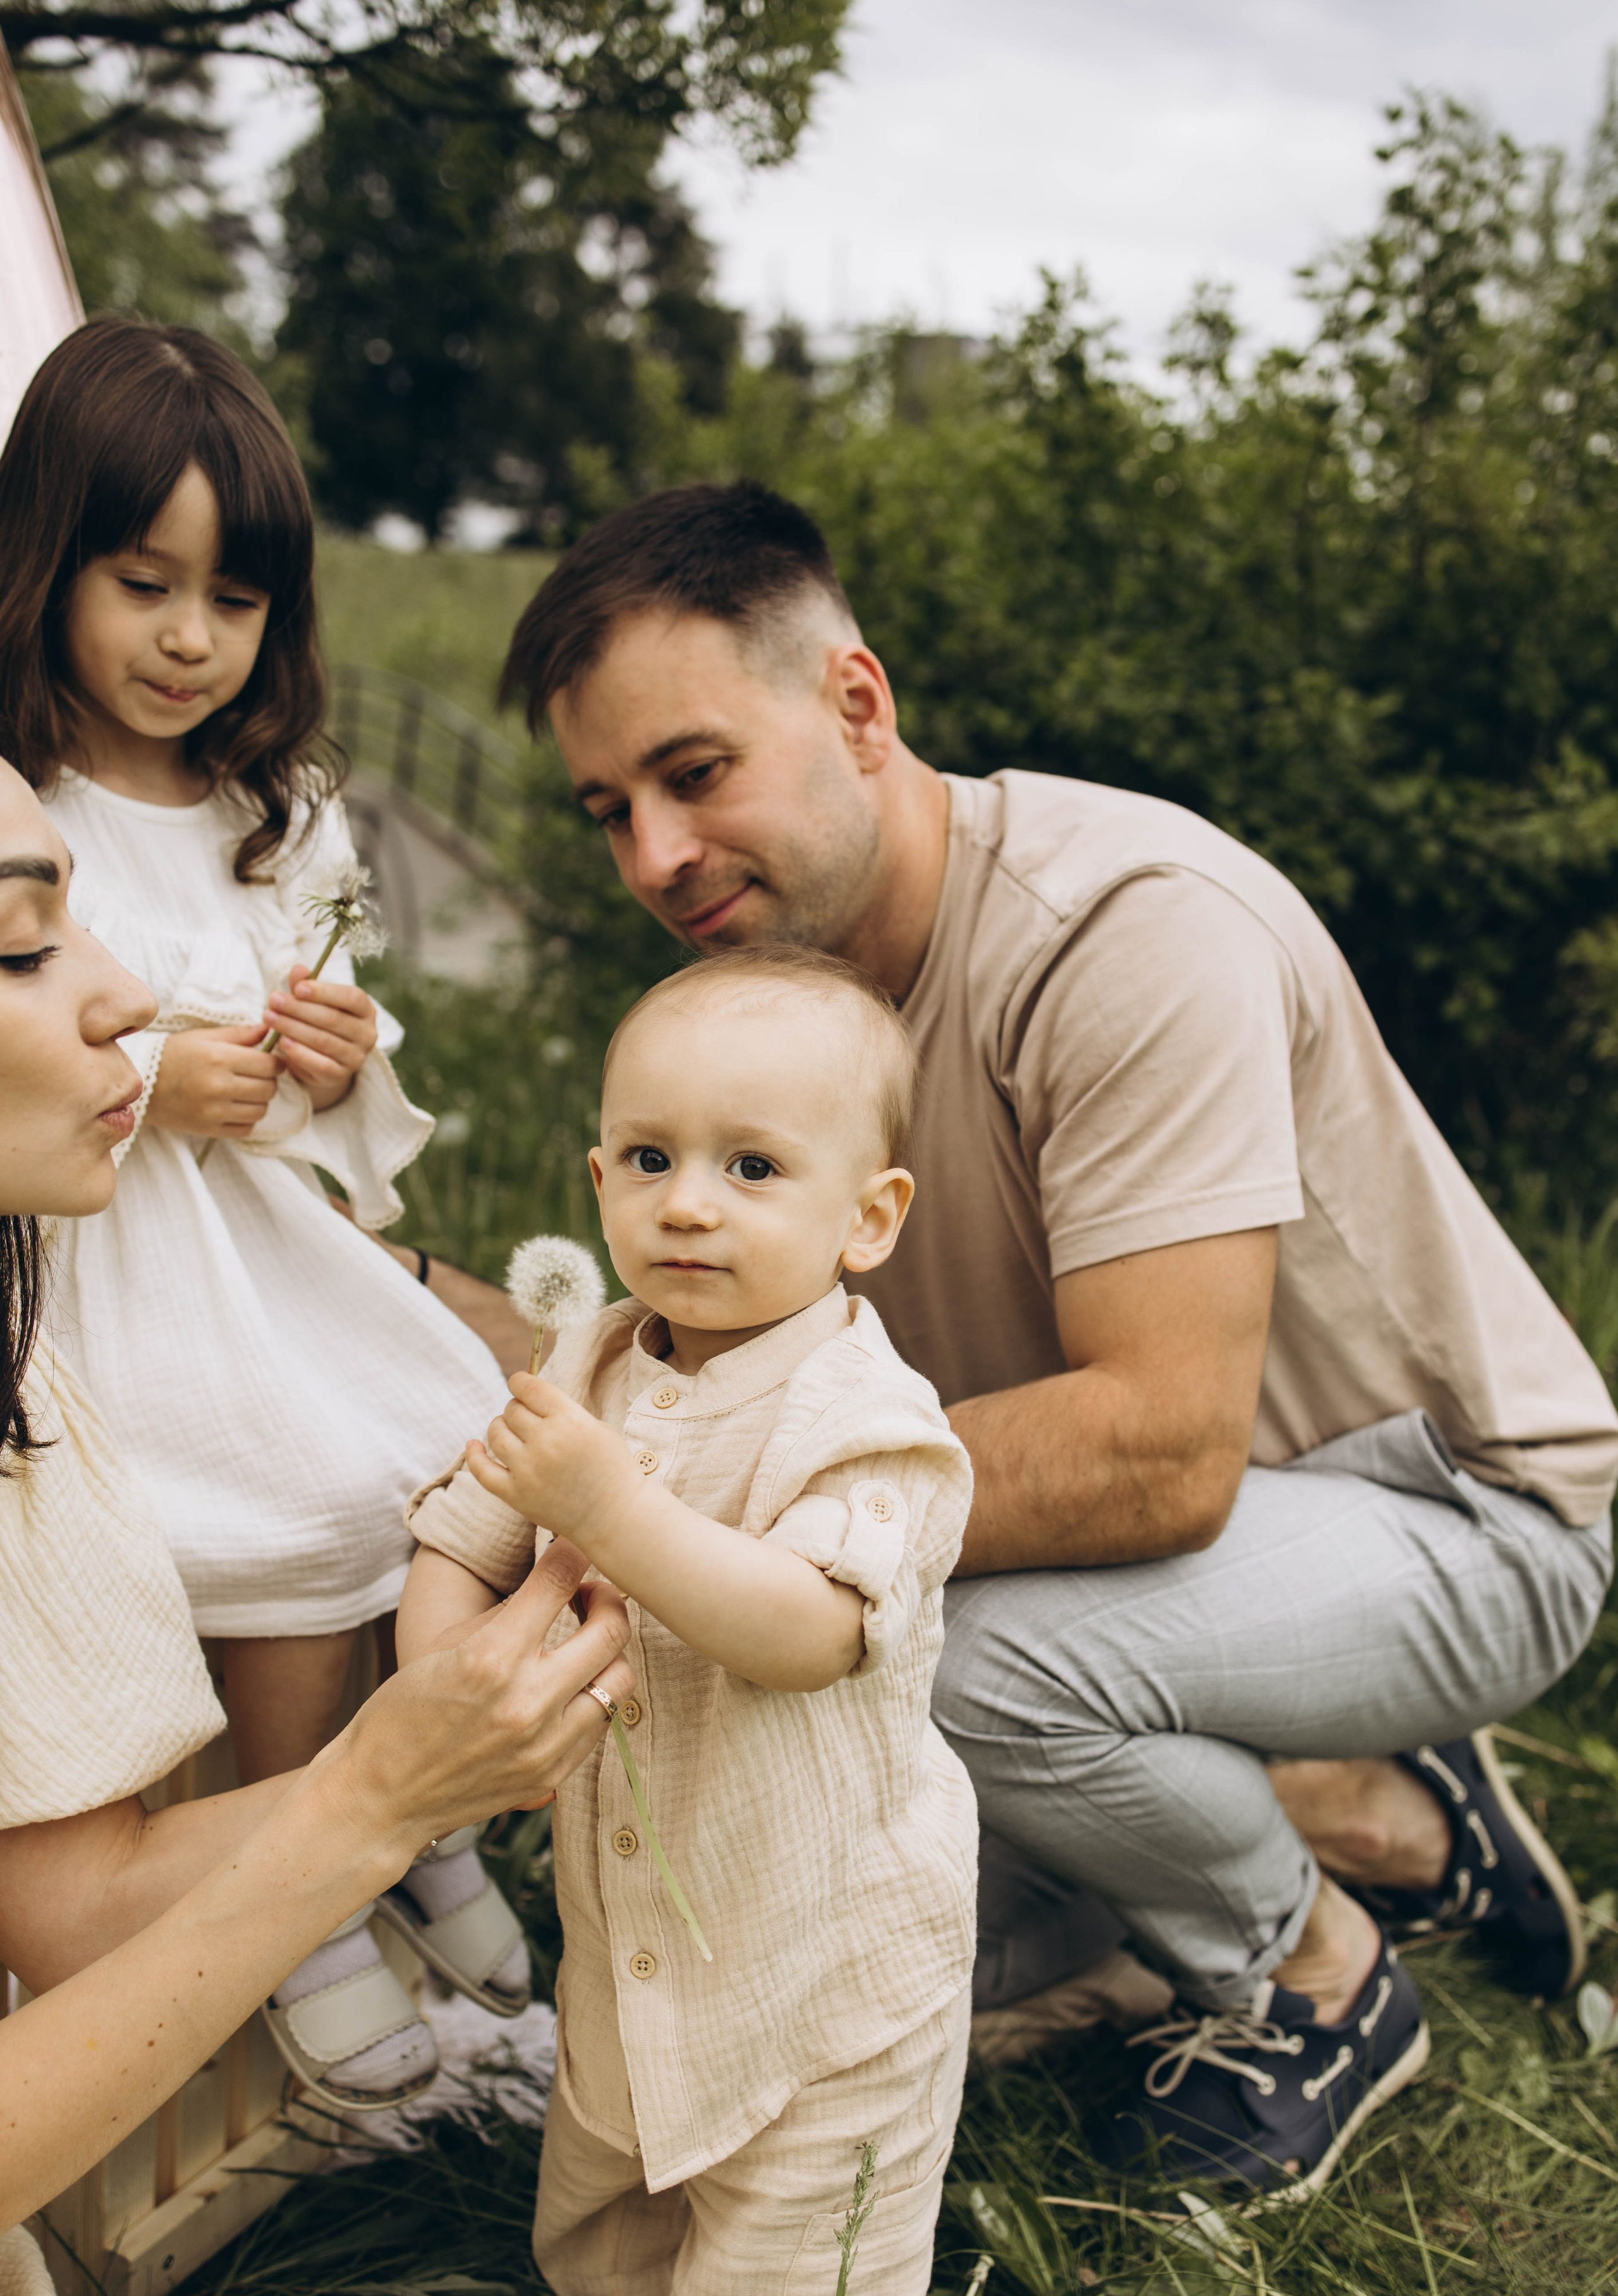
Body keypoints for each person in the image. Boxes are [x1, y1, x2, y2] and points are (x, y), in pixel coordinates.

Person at [494, 479, 1618, 2195]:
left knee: (952, 1656)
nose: (652, 856)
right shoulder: (786, 1015)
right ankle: (1381, 1808)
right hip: (1223, 1543)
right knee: (928, 1935)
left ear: (856, 706)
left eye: (694, 773)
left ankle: (1318, 1975)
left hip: (1462, 1514)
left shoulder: (1125, 927)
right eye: (608, 809)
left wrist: (678, 1524)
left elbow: (1159, 1454)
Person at [0, 755, 635, 2296]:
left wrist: (424, 1766)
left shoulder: (25, 1390)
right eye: (19, 943)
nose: (127, 990)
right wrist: (372, 1799)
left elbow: (71, 1910)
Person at [0, 321, 528, 2113]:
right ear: (45, 563)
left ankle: (401, 1815)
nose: (183, 642)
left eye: (230, 603)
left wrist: (337, 1052)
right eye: (140, 583)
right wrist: (161, 1089)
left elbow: (341, 1095)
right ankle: (299, 1892)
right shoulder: (29, 812)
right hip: (108, 1273)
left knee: (448, 1440)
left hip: (261, 1249)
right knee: (300, 1503)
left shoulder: (265, 817)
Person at [398, 945, 976, 2296]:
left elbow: (804, 1629)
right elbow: (463, 1535)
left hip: (829, 1943)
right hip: (632, 1905)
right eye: (648, 1158)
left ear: (869, 1217)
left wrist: (610, 1511)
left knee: (792, 2256)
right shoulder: (585, 1361)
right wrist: (445, 1685)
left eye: (752, 1166)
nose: (689, 1201)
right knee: (609, 2172)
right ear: (596, 1178)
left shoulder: (869, 1421)